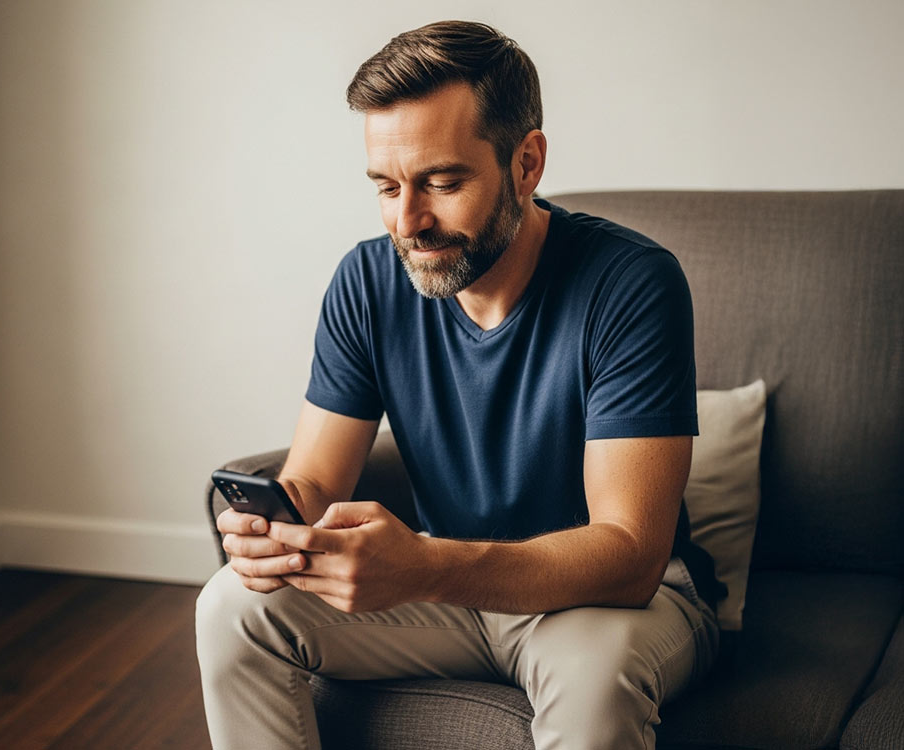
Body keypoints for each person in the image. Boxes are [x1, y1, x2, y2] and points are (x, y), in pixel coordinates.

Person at [196, 20, 723, 750]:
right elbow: (314, 478)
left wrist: (427, 566)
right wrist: (281, 530)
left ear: (527, 162)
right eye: (386, 187)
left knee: (595, 684)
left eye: (442, 183)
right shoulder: (368, 280)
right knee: (229, 607)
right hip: (447, 595)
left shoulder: (630, 283)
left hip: (606, 602)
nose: (408, 222)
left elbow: (630, 556)